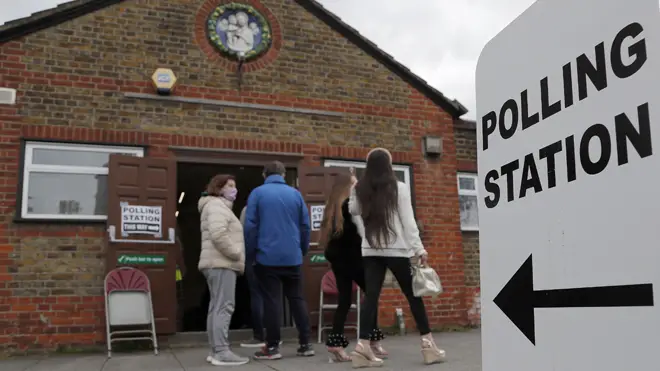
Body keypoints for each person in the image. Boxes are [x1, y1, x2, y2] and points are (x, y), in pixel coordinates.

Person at [348, 148, 446, 367]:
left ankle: (362, 347)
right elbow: (408, 222)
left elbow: (353, 210)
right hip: (397, 251)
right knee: (413, 297)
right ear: (389, 166)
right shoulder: (399, 188)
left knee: (370, 298)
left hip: (371, 251)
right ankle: (428, 346)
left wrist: (354, 188)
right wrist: (419, 249)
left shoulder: (360, 188)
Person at [243, 161, 314, 360]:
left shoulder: (257, 193)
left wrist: (251, 254)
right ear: (283, 175)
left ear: (264, 175)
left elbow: (250, 227)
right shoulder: (296, 194)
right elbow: (305, 227)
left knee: (271, 301)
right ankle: (306, 343)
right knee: (297, 299)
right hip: (293, 256)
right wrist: (302, 250)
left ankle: (273, 347)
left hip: (267, 257)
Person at [319, 172, 387, 362]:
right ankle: (371, 341)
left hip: (339, 261)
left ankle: (336, 344)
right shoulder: (350, 206)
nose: (357, 184)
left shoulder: (332, 208)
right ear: (346, 186)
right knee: (371, 295)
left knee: (345, 302)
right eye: (354, 182)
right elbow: (357, 235)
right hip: (353, 259)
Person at [197, 174, 249, 366]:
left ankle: (215, 349)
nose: (233, 189)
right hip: (222, 264)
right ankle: (222, 351)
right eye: (229, 186)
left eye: (235, 186)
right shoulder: (217, 207)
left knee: (216, 307)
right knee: (224, 307)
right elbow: (218, 234)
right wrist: (236, 253)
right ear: (218, 188)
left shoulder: (214, 206)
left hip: (215, 263)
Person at [239, 205, 266, 348]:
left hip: (254, 256)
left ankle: (259, 335)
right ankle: (274, 335)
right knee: (272, 296)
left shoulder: (248, 209)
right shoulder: (279, 206)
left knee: (256, 296)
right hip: (274, 256)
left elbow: (243, 233)